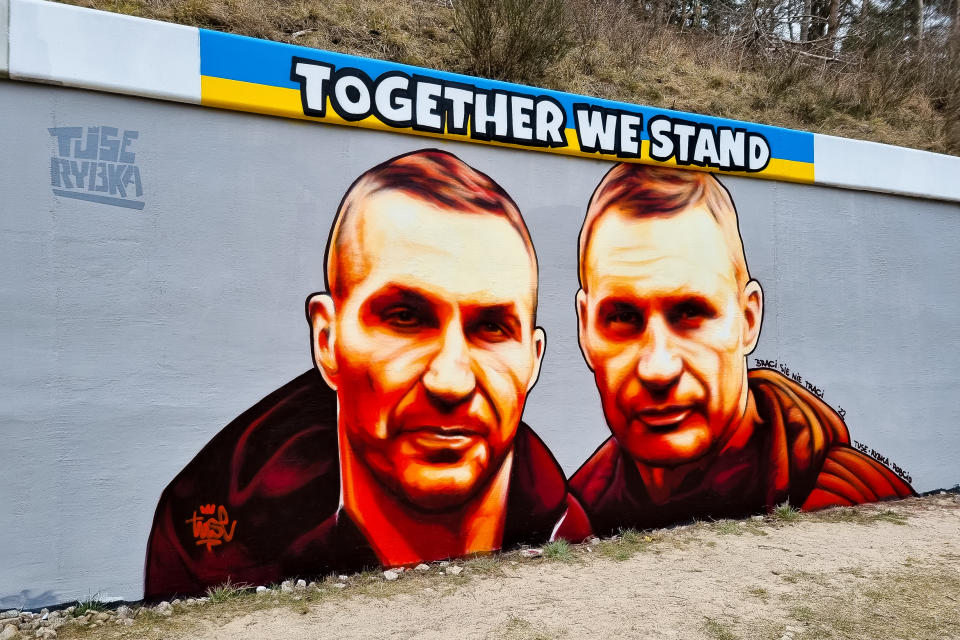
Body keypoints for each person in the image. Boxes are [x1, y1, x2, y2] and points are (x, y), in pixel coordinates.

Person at [144, 149, 590, 599]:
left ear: (533, 360)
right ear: (327, 342)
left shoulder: (565, 527)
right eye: (404, 318)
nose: (450, 381)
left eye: (492, 328)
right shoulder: (211, 544)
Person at [568, 163, 913, 536]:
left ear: (747, 321)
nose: (658, 368)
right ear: (585, 330)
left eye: (690, 313)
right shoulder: (574, 514)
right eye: (621, 317)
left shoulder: (846, 498)